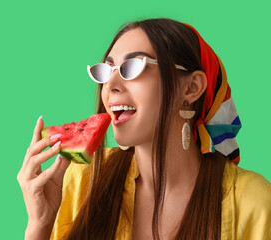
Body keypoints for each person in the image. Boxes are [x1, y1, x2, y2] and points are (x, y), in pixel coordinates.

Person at [17, 18, 271, 240]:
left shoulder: (255, 202)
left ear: (191, 88)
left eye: (132, 68)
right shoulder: (82, 180)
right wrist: (39, 226)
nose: (111, 85)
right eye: (106, 70)